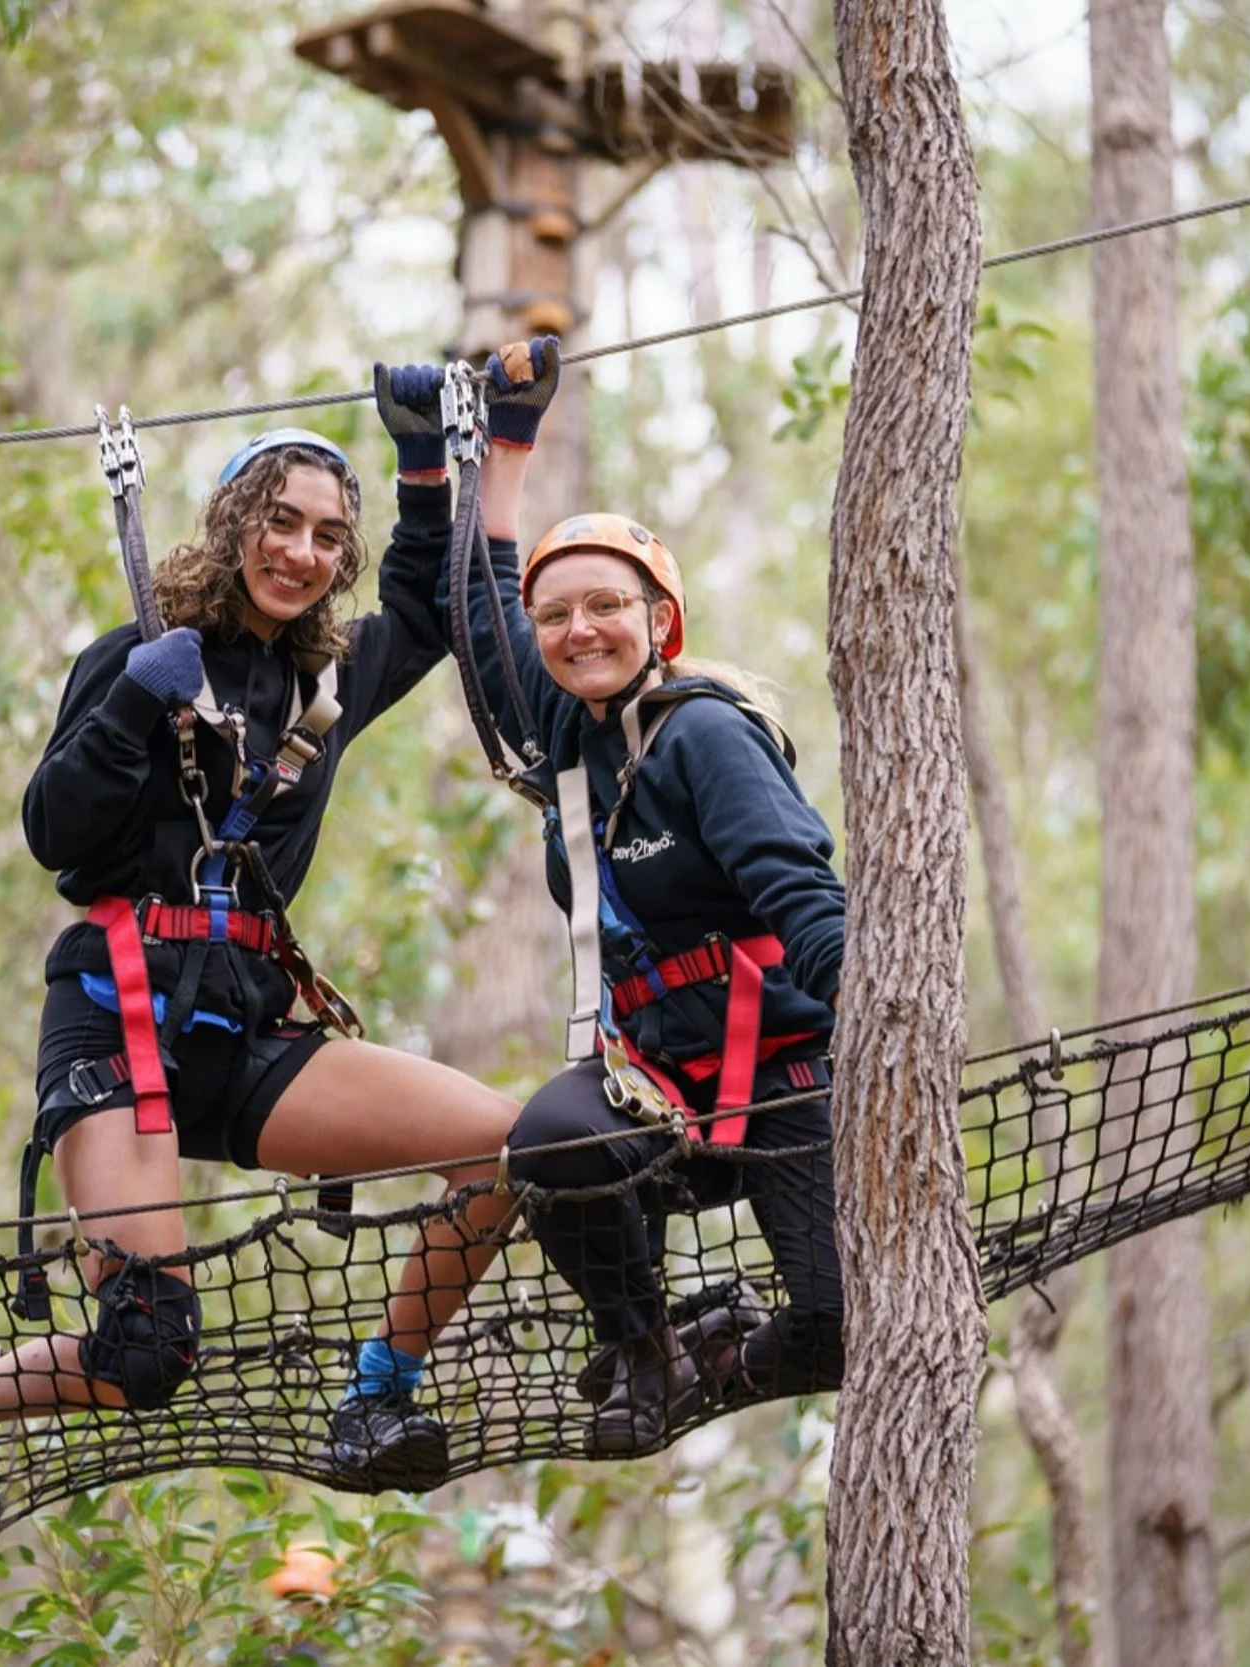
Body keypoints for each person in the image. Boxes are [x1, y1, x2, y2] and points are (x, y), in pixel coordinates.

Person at [0, 370, 524, 1554]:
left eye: (330, 534)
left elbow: (428, 613)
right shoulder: (136, 651)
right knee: (144, 1350)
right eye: (280, 520)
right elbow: (54, 835)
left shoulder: (323, 680)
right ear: (234, 524)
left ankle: (379, 1392)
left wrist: (424, 467)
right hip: (116, 1010)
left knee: (510, 1145)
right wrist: (131, 705)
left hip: (243, 1021)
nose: (302, 551)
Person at [442, 338, 846, 1457]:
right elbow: (476, 618)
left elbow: (802, 898)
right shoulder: (569, 737)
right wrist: (494, 451)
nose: (579, 631)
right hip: (652, 1082)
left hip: (781, 1077)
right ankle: (648, 1342)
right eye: (557, 615)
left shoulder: (705, 734)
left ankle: (732, 1345)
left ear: (658, 618)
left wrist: (884, 1022)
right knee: (548, 1144)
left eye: (606, 606)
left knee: (836, 1324)